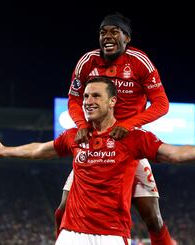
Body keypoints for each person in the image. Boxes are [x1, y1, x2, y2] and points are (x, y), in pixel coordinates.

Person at [0, 77, 195, 245]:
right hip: (72, 234)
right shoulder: (75, 136)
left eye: (96, 96)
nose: (88, 101)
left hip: (111, 235)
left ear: (113, 101)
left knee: (154, 218)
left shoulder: (133, 138)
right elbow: (38, 150)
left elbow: (173, 154)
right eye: (86, 96)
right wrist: (4, 150)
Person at [59, 12, 171, 244]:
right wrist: (81, 125)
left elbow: (161, 103)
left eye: (114, 32)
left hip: (128, 146)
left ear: (126, 38)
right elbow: (73, 99)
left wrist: (129, 125)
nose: (107, 37)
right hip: (94, 146)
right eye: (103, 32)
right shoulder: (87, 61)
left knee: (152, 217)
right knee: (62, 209)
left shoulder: (139, 62)